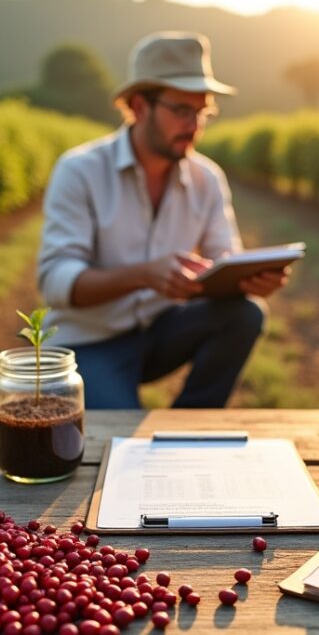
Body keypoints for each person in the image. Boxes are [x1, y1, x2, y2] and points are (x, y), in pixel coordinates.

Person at [36, 31, 289, 410]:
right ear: (139, 106)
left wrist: (249, 280)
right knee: (117, 440)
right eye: (181, 110)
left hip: (160, 333)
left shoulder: (207, 178)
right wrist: (144, 274)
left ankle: (191, 425)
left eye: (202, 111)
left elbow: (224, 258)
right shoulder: (80, 170)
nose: (194, 125)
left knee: (246, 314)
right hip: (88, 343)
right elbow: (55, 281)